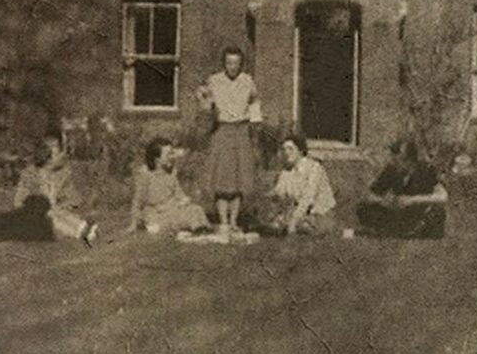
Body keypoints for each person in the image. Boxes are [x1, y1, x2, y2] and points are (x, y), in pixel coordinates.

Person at [197, 45, 261, 235]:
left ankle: (234, 221)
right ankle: (223, 221)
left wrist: (255, 127)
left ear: (241, 64)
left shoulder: (247, 81)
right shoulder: (214, 80)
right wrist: (205, 101)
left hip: (241, 130)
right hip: (222, 130)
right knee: (222, 178)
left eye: (236, 63)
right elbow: (204, 101)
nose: (232, 67)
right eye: (229, 62)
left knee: (238, 179)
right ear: (224, 63)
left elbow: (255, 103)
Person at [13, 133, 99, 245]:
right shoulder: (29, 173)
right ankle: (79, 232)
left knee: (58, 212)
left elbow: (72, 196)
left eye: (55, 147)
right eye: (49, 148)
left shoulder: (63, 172)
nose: (53, 151)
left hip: (55, 210)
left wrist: (63, 204)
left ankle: (82, 226)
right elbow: (19, 200)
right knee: (50, 215)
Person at [356, 139, 447, 239]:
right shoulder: (391, 169)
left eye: (397, 159)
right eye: (393, 158)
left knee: (438, 212)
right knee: (364, 208)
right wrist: (386, 202)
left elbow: (443, 196)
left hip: (419, 212)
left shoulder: (425, 170)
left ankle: (396, 231)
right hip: (398, 212)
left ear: (409, 161)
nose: (393, 162)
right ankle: (403, 232)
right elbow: (370, 195)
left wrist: (412, 200)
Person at [258, 133, 336, 236]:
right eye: (284, 149)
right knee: (273, 224)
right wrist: (263, 197)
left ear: (300, 151)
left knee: (303, 226)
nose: (287, 153)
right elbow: (279, 192)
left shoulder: (314, 168)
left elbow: (308, 197)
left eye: (290, 149)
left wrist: (293, 221)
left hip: (319, 213)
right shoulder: (286, 171)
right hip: (297, 212)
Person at [127, 138, 210, 235]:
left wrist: (184, 200)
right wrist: (133, 223)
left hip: (173, 208)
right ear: (157, 159)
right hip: (157, 213)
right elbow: (138, 200)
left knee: (196, 209)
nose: (172, 157)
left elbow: (179, 193)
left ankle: (200, 230)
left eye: (172, 153)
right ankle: (195, 230)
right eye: (168, 154)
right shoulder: (146, 175)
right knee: (174, 219)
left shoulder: (171, 173)